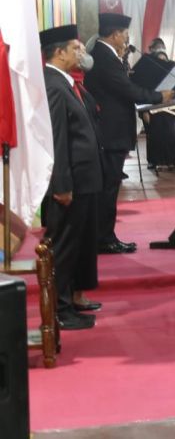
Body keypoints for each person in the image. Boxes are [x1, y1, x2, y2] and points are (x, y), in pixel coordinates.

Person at [85, 12, 172, 254]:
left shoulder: (106, 54)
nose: (126, 38)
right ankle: (104, 239)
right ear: (114, 34)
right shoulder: (104, 57)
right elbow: (127, 90)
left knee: (110, 187)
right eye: (124, 34)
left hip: (112, 131)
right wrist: (159, 96)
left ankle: (105, 236)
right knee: (108, 188)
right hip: (110, 132)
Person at [40, 25, 103, 330]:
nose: (81, 52)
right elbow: (57, 140)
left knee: (80, 243)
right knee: (64, 248)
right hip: (70, 182)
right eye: (75, 48)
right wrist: (61, 185)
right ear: (59, 52)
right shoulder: (53, 85)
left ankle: (72, 300)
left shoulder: (67, 83)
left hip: (85, 179)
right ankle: (60, 311)